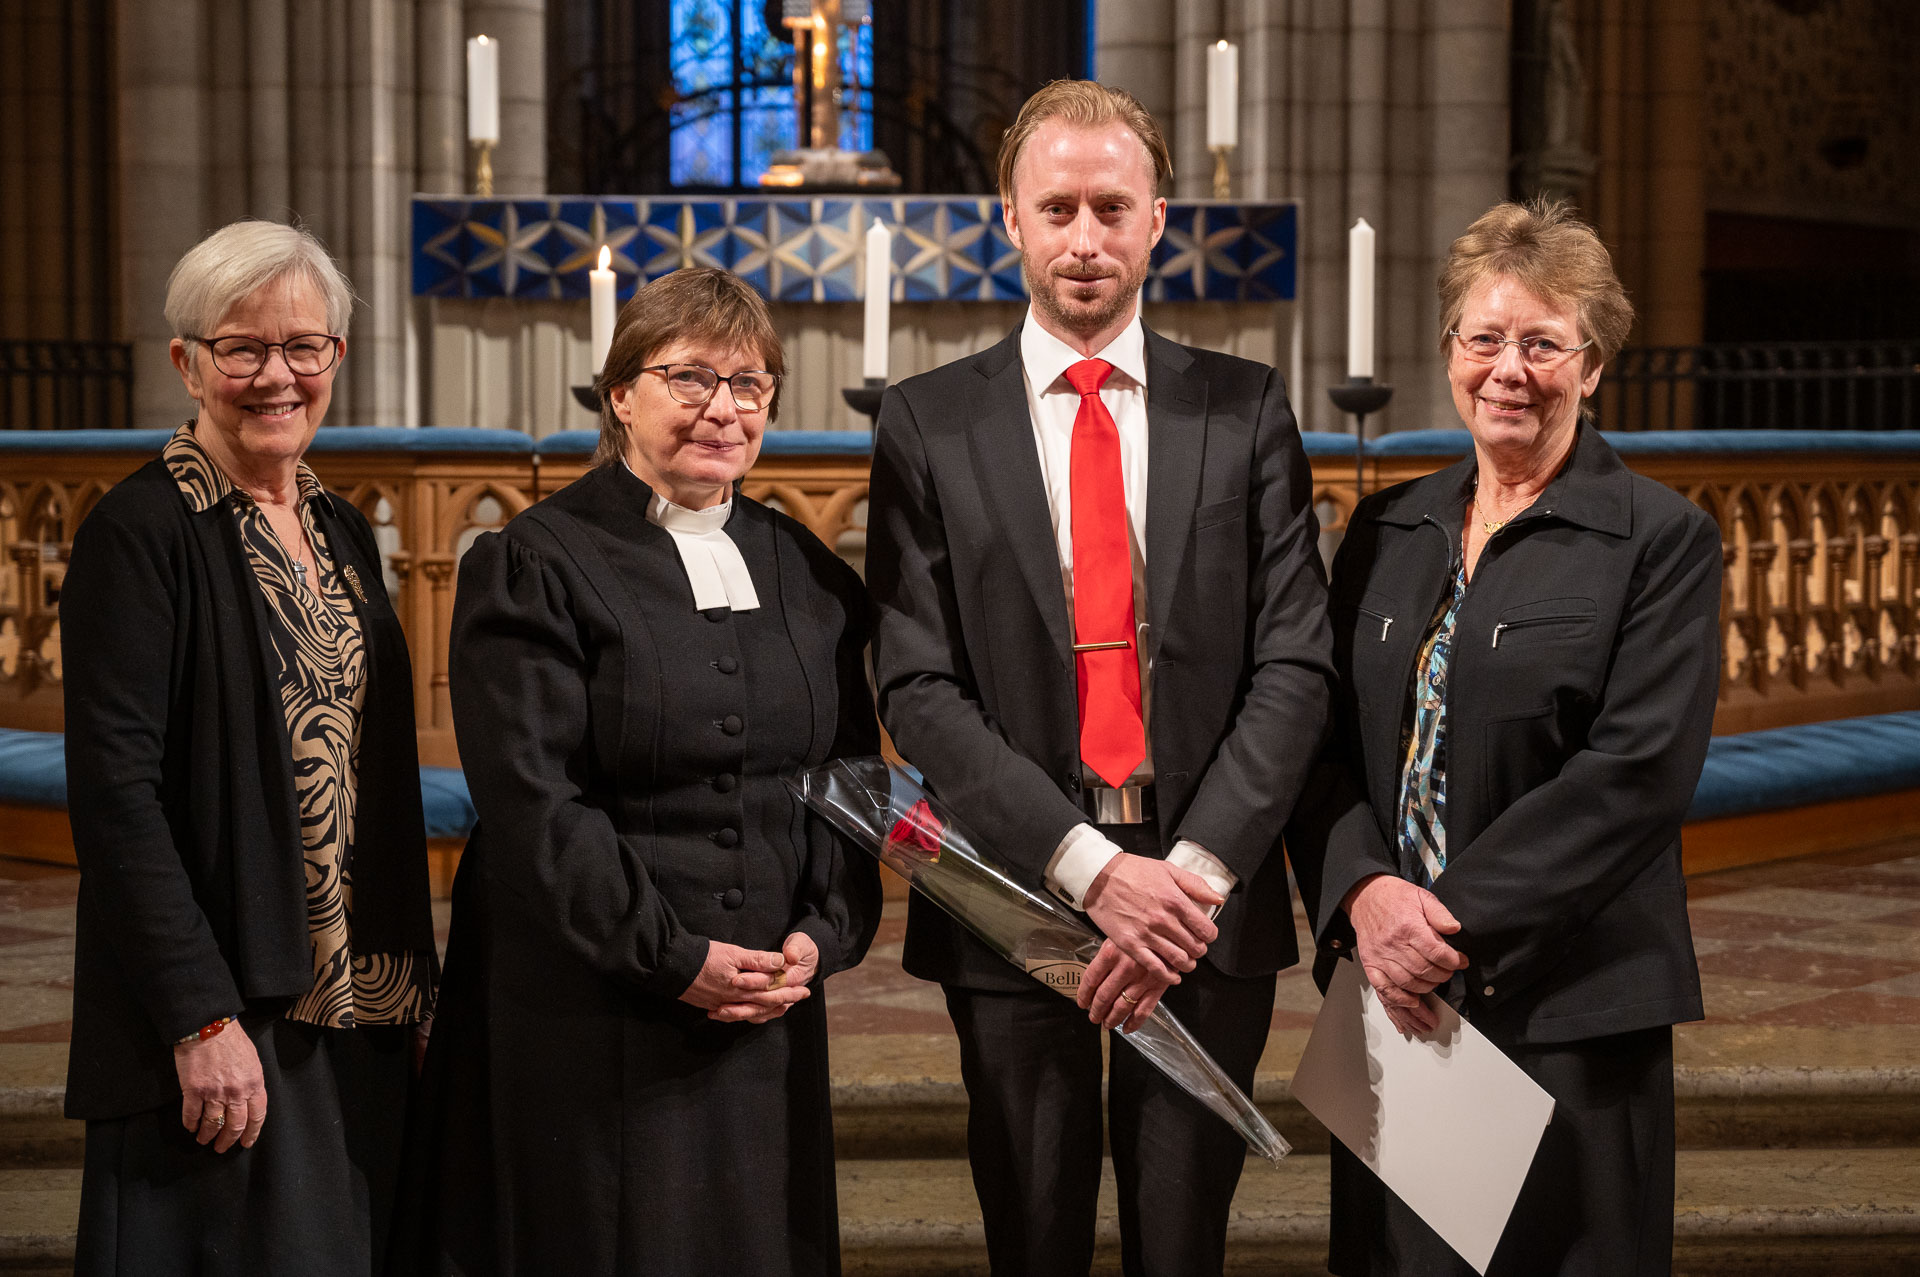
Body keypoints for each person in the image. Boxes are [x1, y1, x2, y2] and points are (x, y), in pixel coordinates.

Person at [866, 80, 1335, 1275]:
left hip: (1201, 906)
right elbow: (918, 683)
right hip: (1016, 894)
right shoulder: (929, 422)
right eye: (1058, 207)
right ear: (1009, 220)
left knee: (1183, 1243)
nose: (1086, 240)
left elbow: (1294, 659)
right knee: (1034, 1234)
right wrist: (1085, 868)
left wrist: (1183, 876)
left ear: (1158, 218)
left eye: (1111, 208)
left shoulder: (1246, 411)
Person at [396, 267, 881, 1276]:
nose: (724, 408)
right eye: (691, 377)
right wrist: (670, 955)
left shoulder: (808, 570)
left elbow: (844, 774)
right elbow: (536, 800)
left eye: (750, 384)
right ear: (620, 393)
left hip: (763, 1000)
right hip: (590, 997)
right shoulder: (536, 560)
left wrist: (820, 934)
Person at [1294, 198, 1722, 1275]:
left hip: (1566, 1001)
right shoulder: (1387, 529)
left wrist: (1443, 921)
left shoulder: (1660, 539)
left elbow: (1637, 772)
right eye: (1484, 338)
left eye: (1542, 342)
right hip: (1394, 996)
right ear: (1449, 352)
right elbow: (1325, 746)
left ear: (1592, 365)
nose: (1509, 369)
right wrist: (1364, 896)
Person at [60, 219, 439, 1276]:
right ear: (187, 362)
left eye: (303, 346)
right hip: (229, 1013)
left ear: (337, 361)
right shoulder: (140, 533)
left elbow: (381, 776)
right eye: (244, 348)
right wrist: (197, 1013)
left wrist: (414, 983)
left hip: (354, 1006)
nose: (277, 375)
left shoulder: (341, 526)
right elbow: (116, 796)